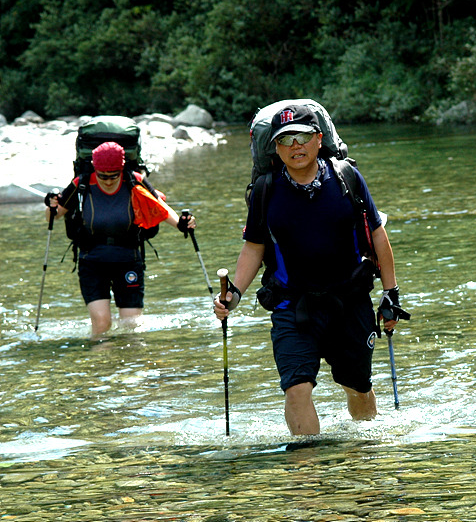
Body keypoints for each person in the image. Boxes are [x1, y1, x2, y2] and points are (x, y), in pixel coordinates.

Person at [213, 104, 405, 435]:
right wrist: (235, 296)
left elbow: (376, 234)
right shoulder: (266, 190)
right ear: (275, 148)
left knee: (357, 385)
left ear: (318, 139)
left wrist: (391, 293)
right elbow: (254, 247)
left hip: (351, 302)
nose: (295, 146)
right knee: (297, 388)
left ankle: (363, 454)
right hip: (292, 304)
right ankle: (308, 473)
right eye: (286, 139)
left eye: (303, 136)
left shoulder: (347, 178)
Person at [45, 141, 196, 337]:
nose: (108, 181)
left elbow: (161, 209)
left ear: (122, 168)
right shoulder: (81, 183)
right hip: (92, 262)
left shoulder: (134, 181)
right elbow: (54, 216)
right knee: (101, 324)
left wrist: (183, 224)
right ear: (94, 168)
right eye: (103, 176)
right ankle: (102, 363)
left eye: (113, 176)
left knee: (132, 327)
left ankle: (129, 366)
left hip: (128, 260)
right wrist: (51, 205)